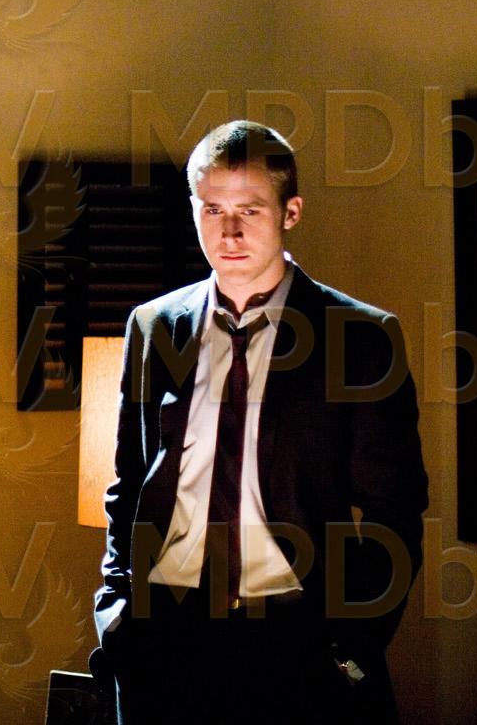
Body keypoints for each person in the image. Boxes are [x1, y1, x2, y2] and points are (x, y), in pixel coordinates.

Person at [89, 120, 428, 723]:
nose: (230, 232)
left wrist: (349, 651)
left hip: (296, 646)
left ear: (290, 212)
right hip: (165, 639)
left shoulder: (359, 337)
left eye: (250, 210)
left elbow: (393, 514)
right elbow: (128, 483)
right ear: (193, 210)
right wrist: (116, 612)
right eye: (213, 209)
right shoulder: (153, 327)